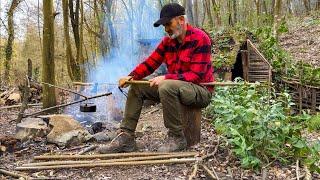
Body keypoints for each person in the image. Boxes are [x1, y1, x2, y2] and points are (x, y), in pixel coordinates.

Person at [97, 3, 214, 153]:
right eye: (164, 26)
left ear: (181, 20)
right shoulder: (167, 42)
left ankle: (177, 138)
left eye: (168, 24)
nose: (166, 29)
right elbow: (150, 63)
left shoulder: (201, 39)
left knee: (166, 86)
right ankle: (126, 137)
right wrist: (131, 76)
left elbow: (196, 75)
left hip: (201, 91)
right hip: (176, 88)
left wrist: (166, 77)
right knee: (138, 87)